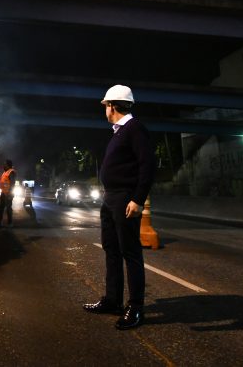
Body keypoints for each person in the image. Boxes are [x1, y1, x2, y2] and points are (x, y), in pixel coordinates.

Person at [83, 84, 156, 330]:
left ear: (112, 106)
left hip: (124, 198)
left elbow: (147, 165)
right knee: (111, 249)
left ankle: (135, 308)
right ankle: (113, 300)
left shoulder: (135, 129)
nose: (104, 109)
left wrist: (137, 199)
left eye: (105, 105)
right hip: (110, 197)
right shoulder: (119, 131)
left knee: (131, 253)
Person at [0, 160, 16, 228]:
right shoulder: (5, 173)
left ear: (8, 165)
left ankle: (10, 223)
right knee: (1, 208)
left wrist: (10, 193)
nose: (3, 165)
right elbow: (2, 183)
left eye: (5, 164)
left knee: (8, 209)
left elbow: (12, 184)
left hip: (8, 194)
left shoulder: (11, 172)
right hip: (3, 193)